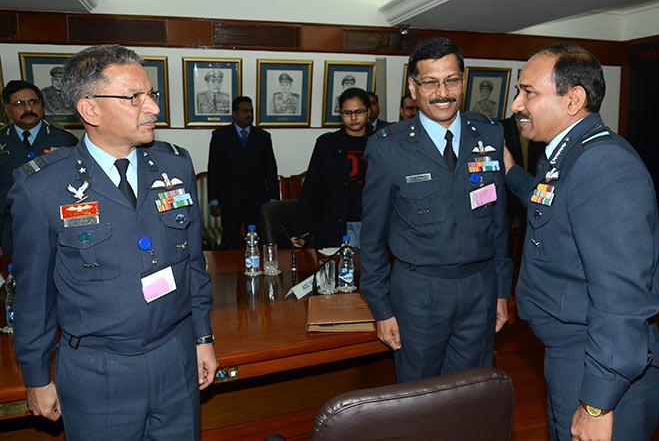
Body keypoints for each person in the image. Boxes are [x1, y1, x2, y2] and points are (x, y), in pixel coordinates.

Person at [9, 45, 216, 440]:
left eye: (151, 95)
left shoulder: (175, 165)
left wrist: (202, 337)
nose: (153, 108)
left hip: (175, 355)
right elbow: (33, 294)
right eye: (134, 98)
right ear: (90, 110)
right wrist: (36, 376)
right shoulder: (43, 187)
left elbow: (193, 264)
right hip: (98, 371)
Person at [503, 43, 659, 441]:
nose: (515, 105)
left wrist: (597, 404)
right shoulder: (568, 155)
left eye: (528, 92)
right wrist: (510, 172)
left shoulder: (603, 165)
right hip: (571, 355)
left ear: (573, 99)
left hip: (599, 363)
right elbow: (551, 202)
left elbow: (621, 300)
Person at [360, 37, 511, 383]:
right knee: (420, 397)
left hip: (480, 288)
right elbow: (372, 239)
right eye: (430, 82)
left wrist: (502, 290)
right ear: (413, 87)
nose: (442, 92)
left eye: (451, 80)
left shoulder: (489, 133)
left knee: (472, 391)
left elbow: (499, 222)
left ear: (463, 80)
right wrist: (381, 307)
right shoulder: (388, 147)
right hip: (419, 292)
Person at [0, 80, 77, 255]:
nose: (28, 108)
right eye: (19, 104)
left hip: (57, 231)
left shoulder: (65, 141)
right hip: (11, 232)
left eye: (33, 102)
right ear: (7, 109)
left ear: (42, 105)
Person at [291, 87, 372, 248]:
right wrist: (302, 230)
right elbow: (311, 189)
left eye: (359, 112)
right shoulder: (327, 144)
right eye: (347, 113)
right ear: (341, 115)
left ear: (369, 112)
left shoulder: (382, 143)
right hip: (336, 226)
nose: (354, 117)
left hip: (374, 225)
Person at [207, 96, 279, 249]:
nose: (249, 115)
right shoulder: (220, 136)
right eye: (244, 111)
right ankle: (228, 271)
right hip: (230, 199)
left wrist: (273, 198)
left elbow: (271, 170)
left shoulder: (263, 137)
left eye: (251, 111)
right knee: (230, 240)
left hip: (257, 200)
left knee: (259, 240)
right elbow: (213, 170)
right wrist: (213, 200)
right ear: (234, 113)